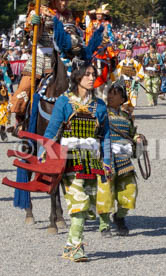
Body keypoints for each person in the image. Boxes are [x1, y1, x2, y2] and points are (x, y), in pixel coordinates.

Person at [43, 63, 112, 262]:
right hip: (69, 160)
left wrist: (107, 162)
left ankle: (72, 244)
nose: (92, 78)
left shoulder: (99, 105)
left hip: (92, 161)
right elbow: (51, 132)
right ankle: (74, 246)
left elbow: (106, 135)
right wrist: (45, 155)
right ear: (78, 77)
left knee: (89, 207)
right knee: (79, 203)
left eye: (94, 75)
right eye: (88, 75)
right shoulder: (64, 102)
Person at [97, 83, 139, 237]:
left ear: (122, 99)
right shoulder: (101, 114)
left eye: (114, 94)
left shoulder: (127, 116)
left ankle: (120, 217)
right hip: (105, 159)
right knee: (105, 193)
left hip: (123, 159)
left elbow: (132, 134)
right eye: (109, 93)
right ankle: (104, 224)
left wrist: (138, 138)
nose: (110, 96)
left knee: (129, 191)